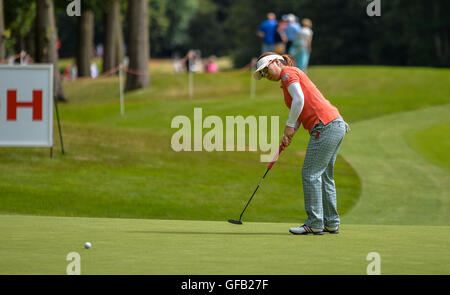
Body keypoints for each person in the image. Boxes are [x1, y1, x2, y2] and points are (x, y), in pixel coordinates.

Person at [253, 52, 350, 235]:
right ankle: (331, 222)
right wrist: (289, 133)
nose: (266, 75)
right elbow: (299, 110)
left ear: (275, 62)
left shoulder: (288, 73)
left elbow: (299, 100)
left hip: (325, 126)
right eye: (263, 74)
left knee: (310, 173)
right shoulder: (287, 80)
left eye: (266, 70)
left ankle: (315, 223)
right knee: (324, 175)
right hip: (334, 124)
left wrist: (289, 126)